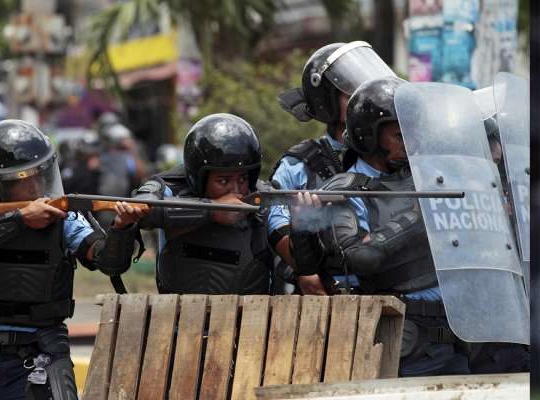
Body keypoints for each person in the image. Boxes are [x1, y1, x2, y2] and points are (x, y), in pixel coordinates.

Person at [0, 120, 132, 400]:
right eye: (24, 178)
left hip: (43, 355)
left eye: (41, 173)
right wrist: (19, 219)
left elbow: (108, 261)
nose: (37, 184)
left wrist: (122, 228)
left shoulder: (64, 214)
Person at [290, 77, 471, 377]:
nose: (409, 142)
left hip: (456, 338)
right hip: (400, 341)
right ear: (368, 135)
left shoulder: (427, 178)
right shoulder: (347, 188)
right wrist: (417, 217)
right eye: (400, 135)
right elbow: (359, 257)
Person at [270, 41, 396, 295]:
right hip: (327, 296)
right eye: (352, 94)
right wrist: (306, 272)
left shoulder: (394, 154)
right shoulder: (300, 163)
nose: (365, 100)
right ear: (326, 100)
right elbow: (275, 221)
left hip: (393, 288)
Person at [105, 113, 274, 295]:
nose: (236, 189)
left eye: (242, 178)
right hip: (178, 317)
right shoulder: (170, 186)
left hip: (252, 318)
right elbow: (145, 208)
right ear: (199, 177)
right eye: (223, 181)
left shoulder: (264, 196)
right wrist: (213, 210)